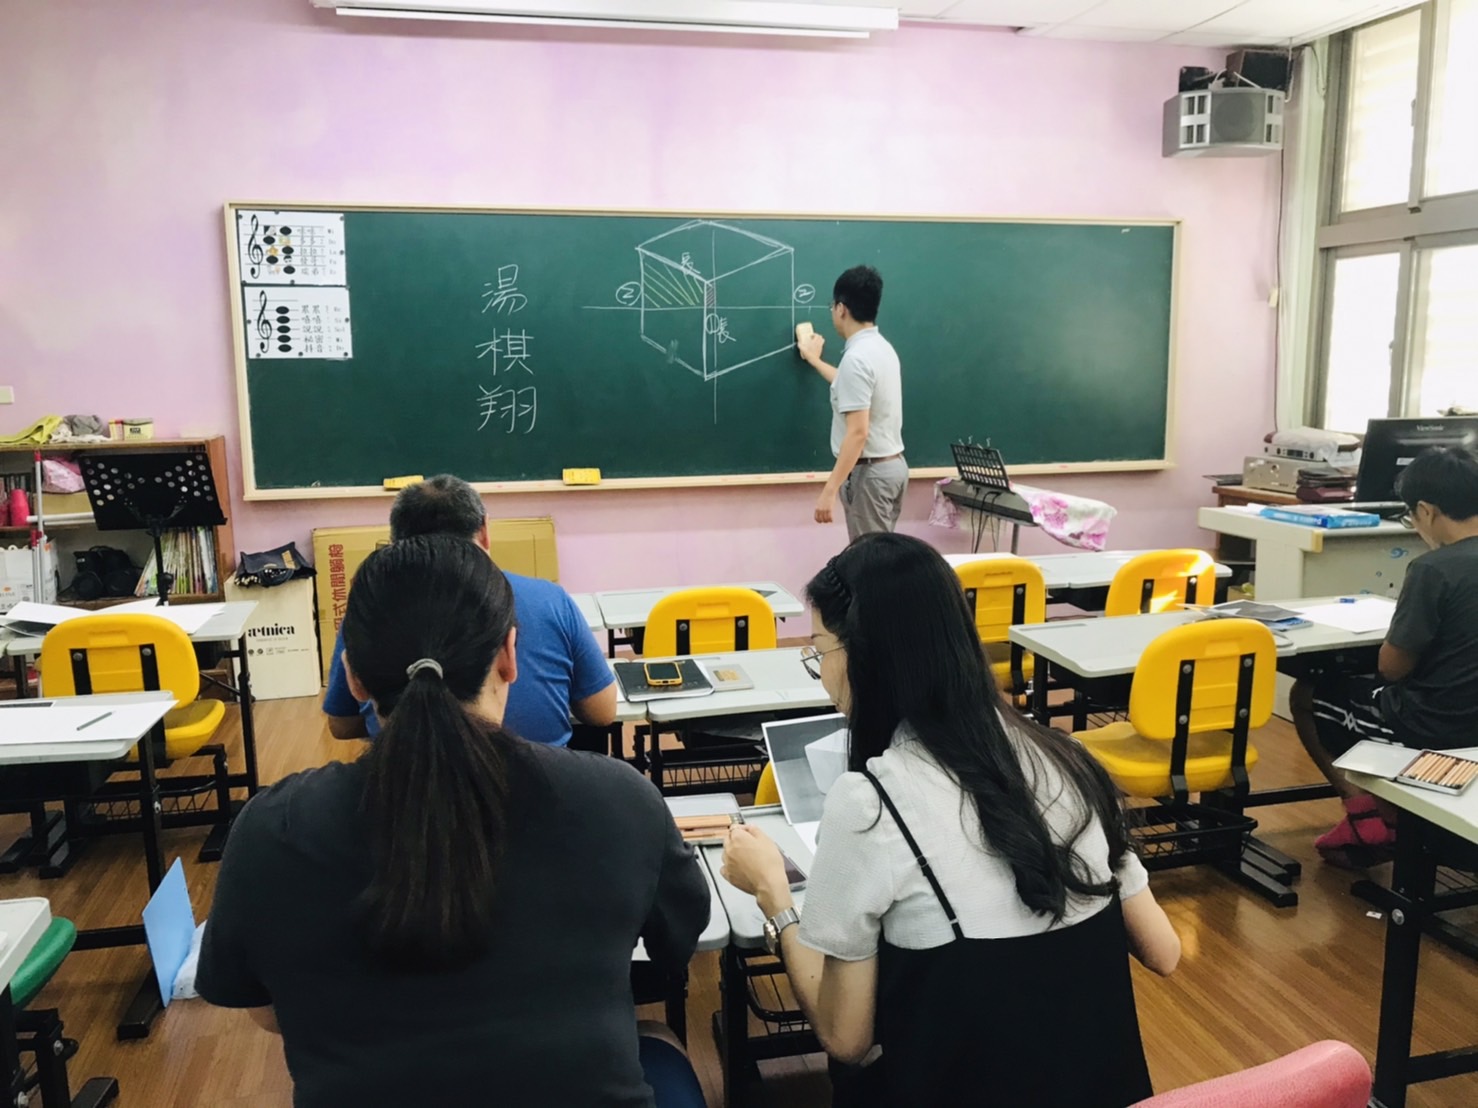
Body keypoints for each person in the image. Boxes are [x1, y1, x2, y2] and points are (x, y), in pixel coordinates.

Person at [198, 535, 710, 1107]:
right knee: (658, 1041)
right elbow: (675, 943)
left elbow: (265, 1010)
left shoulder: (272, 830)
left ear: (354, 677)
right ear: (510, 656)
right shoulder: (619, 800)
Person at [721, 533, 1180, 1108]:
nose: (823, 673)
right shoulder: (1072, 760)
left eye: (819, 652)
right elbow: (1164, 951)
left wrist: (774, 895)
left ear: (865, 656)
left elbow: (845, 1038)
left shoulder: (869, 803)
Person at [322, 474, 616, 747]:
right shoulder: (549, 599)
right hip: (544, 780)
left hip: (400, 781)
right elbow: (602, 711)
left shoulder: (369, 612)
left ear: (397, 542)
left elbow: (342, 724)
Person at [1290, 446, 1478, 866]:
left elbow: (1392, 668)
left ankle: (1370, 816)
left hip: (1436, 727)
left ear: (1426, 511)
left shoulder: (1434, 569)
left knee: (1310, 694)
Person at [797, 265, 907, 540]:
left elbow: (858, 432)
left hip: (870, 475)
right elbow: (850, 386)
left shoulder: (856, 359)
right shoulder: (881, 348)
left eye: (832, 306)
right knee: (881, 555)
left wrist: (830, 489)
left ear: (841, 308)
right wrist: (815, 360)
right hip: (891, 468)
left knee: (869, 559)